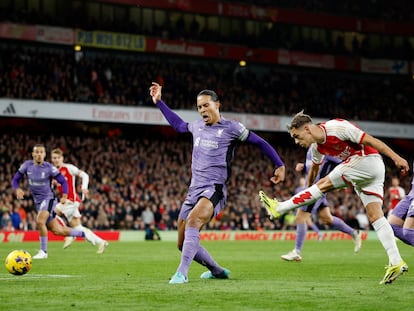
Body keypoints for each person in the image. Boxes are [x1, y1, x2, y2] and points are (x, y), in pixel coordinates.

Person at [149, 82, 286, 284]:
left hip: (215, 189)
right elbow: (178, 125)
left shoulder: (232, 128)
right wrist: (159, 102)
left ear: (217, 105)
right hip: (193, 190)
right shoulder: (196, 127)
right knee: (182, 243)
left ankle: (181, 273)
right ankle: (217, 270)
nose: (203, 110)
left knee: (194, 222)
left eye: (206, 105)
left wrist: (279, 164)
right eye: (199, 107)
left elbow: (259, 142)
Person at [259, 111, 409, 284]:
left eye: (297, 136)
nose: (296, 142)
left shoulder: (337, 127)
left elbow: (371, 140)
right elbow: (314, 170)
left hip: (367, 160)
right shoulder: (316, 147)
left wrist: (396, 157)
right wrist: (309, 190)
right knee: (376, 216)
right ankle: (396, 261)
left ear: (307, 129)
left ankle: (279, 208)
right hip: (369, 172)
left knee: (323, 184)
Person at [12, 144, 94, 259]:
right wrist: (17, 189)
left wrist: (65, 195)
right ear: (33, 154)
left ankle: (43, 252)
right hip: (38, 202)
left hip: (49, 199)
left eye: (41, 152)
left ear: (45, 154)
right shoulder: (27, 166)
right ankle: (83, 234)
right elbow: (15, 179)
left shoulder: (49, 168)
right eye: (37, 152)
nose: (39, 154)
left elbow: (63, 181)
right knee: (57, 231)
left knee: (40, 221)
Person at [281, 148, 362, 262]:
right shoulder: (310, 150)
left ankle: (297, 252)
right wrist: (303, 166)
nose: (298, 142)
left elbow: (343, 164)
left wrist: (343, 181)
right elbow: (313, 167)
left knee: (300, 217)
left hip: (316, 190)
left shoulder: (326, 150)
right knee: (327, 219)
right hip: (313, 190)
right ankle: (354, 232)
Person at [50, 148, 108, 254]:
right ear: (52, 159)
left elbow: (85, 175)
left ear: (62, 158)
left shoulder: (69, 168)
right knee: (78, 227)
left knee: (51, 214)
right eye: (54, 158)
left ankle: (69, 234)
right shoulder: (54, 172)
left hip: (71, 201)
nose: (56, 160)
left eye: (58, 158)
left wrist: (84, 188)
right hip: (66, 202)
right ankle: (101, 242)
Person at [388, 162, 414, 246]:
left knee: (408, 231)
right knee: (392, 225)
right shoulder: (390, 189)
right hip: (411, 193)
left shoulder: (400, 189)